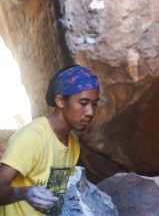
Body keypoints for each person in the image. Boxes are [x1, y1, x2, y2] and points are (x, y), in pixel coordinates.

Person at [0, 65, 100, 215]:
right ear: (60, 101)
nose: (90, 112)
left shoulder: (72, 145)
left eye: (94, 104)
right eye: (83, 103)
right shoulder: (33, 137)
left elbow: (55, 200)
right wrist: (22, 193)